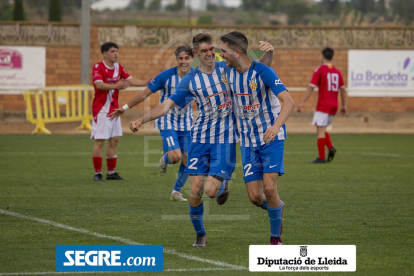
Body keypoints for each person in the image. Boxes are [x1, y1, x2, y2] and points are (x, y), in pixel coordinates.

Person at [129, 33, 274, 247]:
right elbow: (167, 104)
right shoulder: (191, 80)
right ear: (196, 54)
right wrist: (142, 119)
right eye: (204, 51)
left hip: (225, 140)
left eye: (211, 50)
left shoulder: (227, 69)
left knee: (209, 191)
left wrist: (269, 52)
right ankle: (200, 234)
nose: (209, 54)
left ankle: (226, 183)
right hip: (199, 139)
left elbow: (260, 68)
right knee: (195, 191)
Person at [220, 31, 295, 245]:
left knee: (270, 188)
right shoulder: (226, 72)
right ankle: (276, 209)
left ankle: (275, 239)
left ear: (237, 51)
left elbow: (288, 102)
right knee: (255, 197)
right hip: (248, 142)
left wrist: (275, 126)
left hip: (271, 138)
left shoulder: (264, 72)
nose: (220, 54)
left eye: (223, 50)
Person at [109, 45, 195, 201]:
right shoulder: (166, 76)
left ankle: (175, 192)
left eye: (186, 58)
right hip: (167, 120)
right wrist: (125, 107)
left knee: (188, 159)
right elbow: (144, 94)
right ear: (176, 59)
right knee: (175, 157)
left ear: (192, 59)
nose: (183, 61)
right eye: (180, 58)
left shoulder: (198, 76)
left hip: (187, 123)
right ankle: (165, 158)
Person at [91, 42, 150, 181]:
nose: (116, 53)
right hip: (101, 110)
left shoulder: (118, 67)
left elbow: (130, 80)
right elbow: (98, 84)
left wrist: (146, 82)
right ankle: (97, 173)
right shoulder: (98, 67)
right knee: (100, 141)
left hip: (115, 109)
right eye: (112, 51)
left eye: (116, 51)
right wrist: (116, 85)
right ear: (105, 54)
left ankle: (111, 173)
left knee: (114, 139)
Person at [297, 47, 347, 163]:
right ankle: (331, 148)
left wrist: (302, 102)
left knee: (320, 129)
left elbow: (311, 87)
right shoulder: (337, 72)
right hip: (334, 106)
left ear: (322, 57)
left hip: (324, 105)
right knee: (322, 128)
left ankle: (321, 157)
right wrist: (343, 105)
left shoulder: (319, 70)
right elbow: (343, 90)